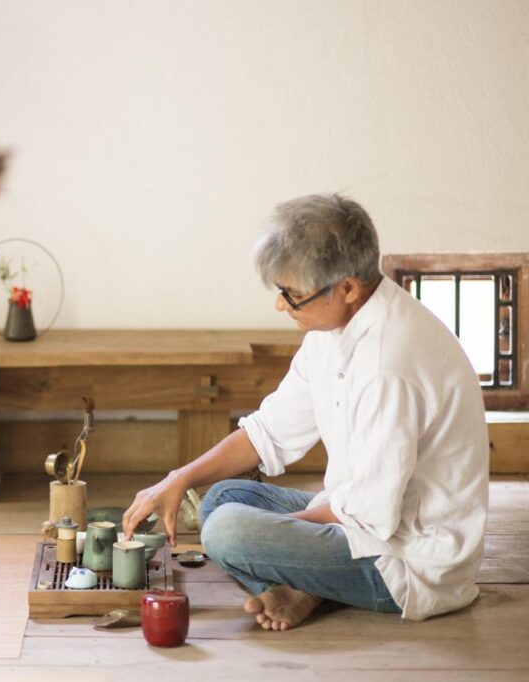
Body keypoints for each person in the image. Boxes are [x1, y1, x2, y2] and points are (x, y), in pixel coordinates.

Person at [123, 193, 489, 630]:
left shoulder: (388, 364)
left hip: (407, 558)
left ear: (347, 288)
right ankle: (304, 584)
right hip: (356, 516)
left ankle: (303, 582)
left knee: (227, 532)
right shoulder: (333, 329)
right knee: (222, 499)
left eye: (292, 294)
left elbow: (371, 512)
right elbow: (269, 431)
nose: (281, 305)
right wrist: (177, 479)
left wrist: (273, 542)